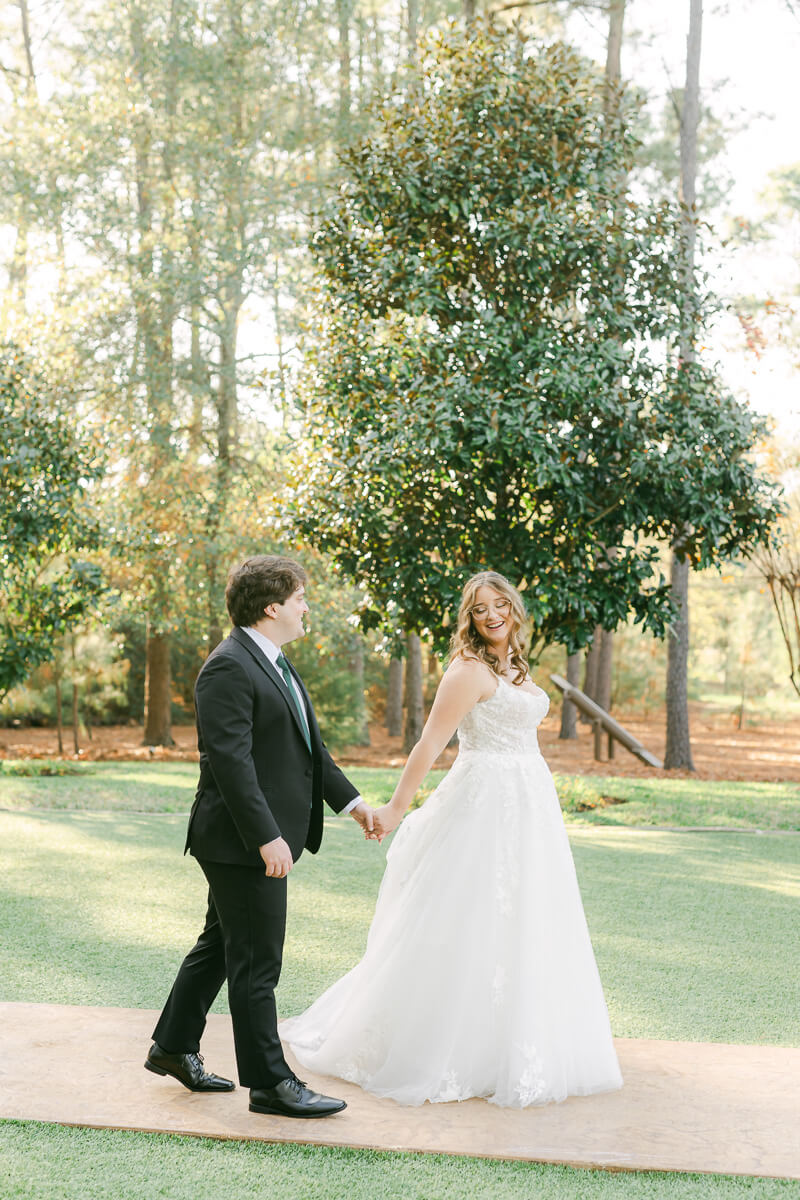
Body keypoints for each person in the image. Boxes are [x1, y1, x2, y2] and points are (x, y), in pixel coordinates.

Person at [283, 570, 623, 1107]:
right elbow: (429, 744)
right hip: (483, 802)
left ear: (513, 608)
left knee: (526, 917)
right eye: (480, 608)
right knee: (469, 916)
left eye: (499, 605)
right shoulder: (467, 671)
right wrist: (395, 808)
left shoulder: (515, 666)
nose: (491, 615)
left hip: (529, 803)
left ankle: (512, 1041)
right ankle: (446, 1045)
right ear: (469, 617)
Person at [145, 555, 377, 1118]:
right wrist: (266, 838)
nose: (306, 607)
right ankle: (271, 1084)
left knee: (222, 946)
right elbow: (230, 761)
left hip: (247, 839)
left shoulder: (272, 660)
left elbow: (306, 748)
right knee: (257, 962)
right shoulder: (228, 666)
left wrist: (352, 803)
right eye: (300, 598)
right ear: (272, 607)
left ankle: (173, 1047)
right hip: (240, 842)